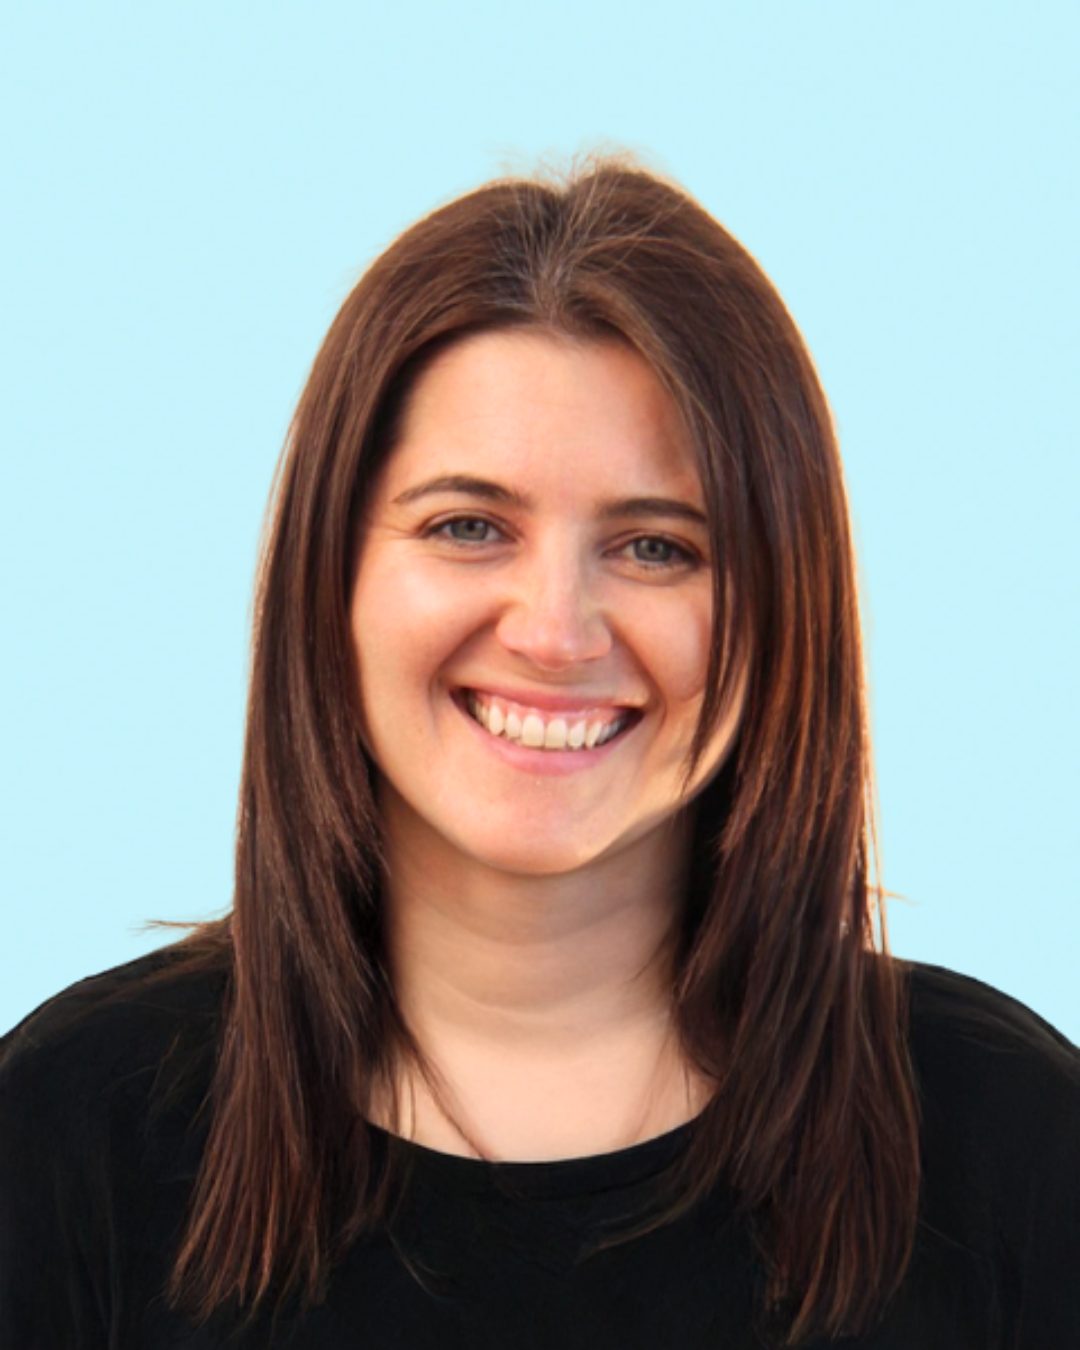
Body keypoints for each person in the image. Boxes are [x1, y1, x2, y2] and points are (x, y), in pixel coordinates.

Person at [1, 155, 1077, 1350]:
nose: (555, 633)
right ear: (333, 581)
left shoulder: (1011, 1141)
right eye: (468, 527)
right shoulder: (66, 1134)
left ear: (784, 608)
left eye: (659, 548)